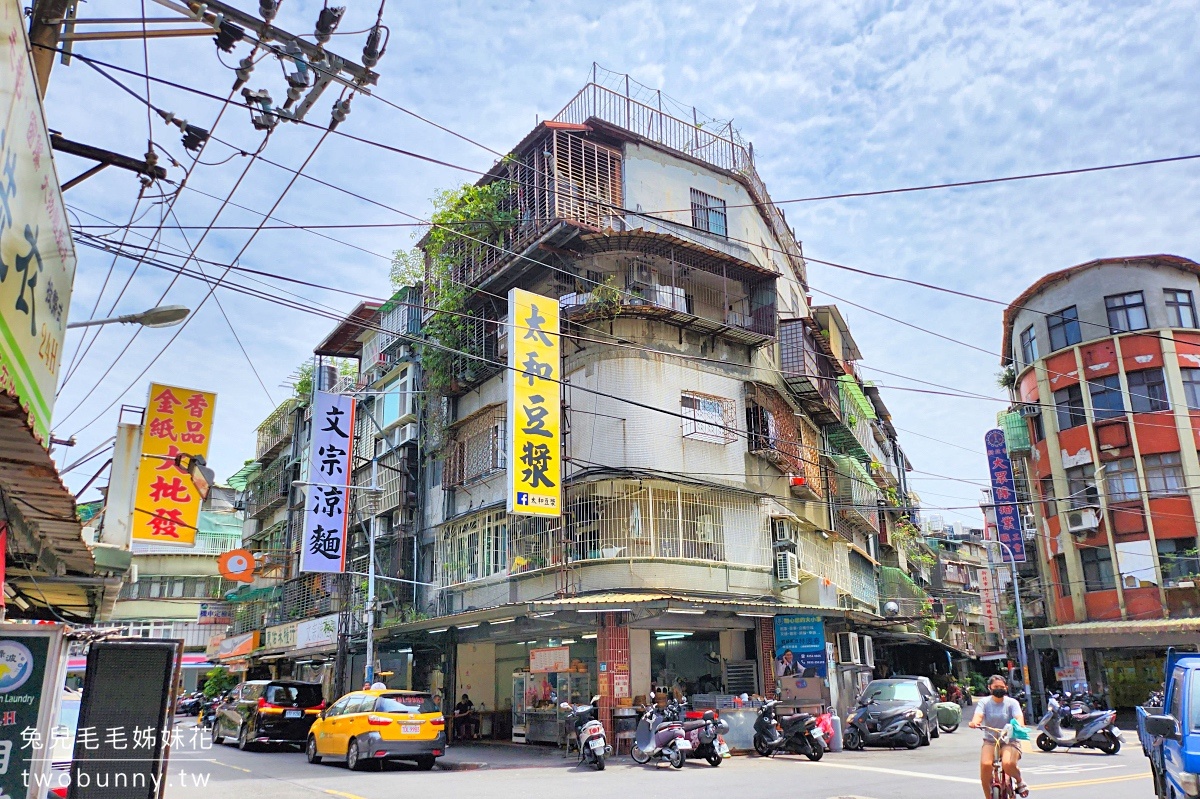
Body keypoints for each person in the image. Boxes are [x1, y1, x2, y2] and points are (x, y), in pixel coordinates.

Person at [969, 674, 1027, 799]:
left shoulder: (1012, 703)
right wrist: (975, 722)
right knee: (985, 765)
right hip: (990, 740)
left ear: (1006, 688)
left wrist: (1020, 726)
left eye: (1001, 686)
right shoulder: (984, 702)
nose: (999, 689)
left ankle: (1019, 780)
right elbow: (978, 715)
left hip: (1009, 740)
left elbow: (1018, 717)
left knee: (1008, 763)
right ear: (990, 687)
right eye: (996, 686)